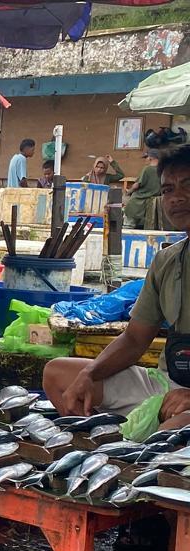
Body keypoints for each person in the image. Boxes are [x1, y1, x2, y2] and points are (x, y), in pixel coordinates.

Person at [46, 144, 190, 425]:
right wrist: (91, 373)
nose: (176, 198)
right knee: (58, 375)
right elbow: (135, 339)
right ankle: (102, 455)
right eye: (168, 190)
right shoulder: (167, 261)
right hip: (170, 383)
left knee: (172, 429)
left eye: (187, 186)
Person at [126, 151, 163, 230]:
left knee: (128, 226)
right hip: (152, 205)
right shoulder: (162, 171)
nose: (145, 160)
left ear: (150, 158)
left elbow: (137, 185)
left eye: (146, 158)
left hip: (137, 203)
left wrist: (128, 191)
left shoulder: (147, 169)